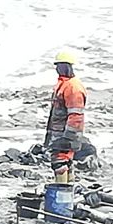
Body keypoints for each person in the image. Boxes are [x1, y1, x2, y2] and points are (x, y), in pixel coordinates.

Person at [46, 50, 86, 184]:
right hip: (60, 133)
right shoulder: (64, 84)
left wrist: (68, 138)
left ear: (67, 66)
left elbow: (75, 115)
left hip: (66, 134)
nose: (58, 68)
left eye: (60, 65)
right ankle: (68, 191)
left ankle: (62, 193)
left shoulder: (73, 87)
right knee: (65, 162)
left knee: (60, 163)